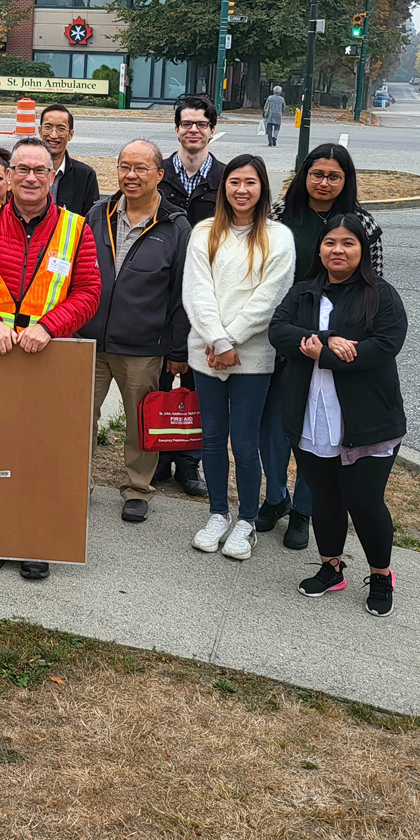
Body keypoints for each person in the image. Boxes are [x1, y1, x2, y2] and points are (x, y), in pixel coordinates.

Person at [0, 136, 101, 580]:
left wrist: (49, 326)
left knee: (42, 454)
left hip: (46, 356)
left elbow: (90, 292)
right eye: (23, 170)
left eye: (41, 170)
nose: (31, 177)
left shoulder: (77, 228)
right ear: (9, 175)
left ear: (53, 176)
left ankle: (37, 539)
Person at [268, 215, 407, 617]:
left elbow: (384, 345)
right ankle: (332, 567)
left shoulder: (381, 295)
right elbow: (279, 329)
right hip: (311, 414)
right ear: (320, 249)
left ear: (362, 250)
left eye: (348, 243)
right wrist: (328, 342)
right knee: (326, 499)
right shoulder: (305, 292)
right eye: (330, 242)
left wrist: (320, 353)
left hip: (366, 420)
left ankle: (381, 574)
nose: (337, 250)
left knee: (363, 501)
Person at [258, 143, 385, 550]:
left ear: (346, 181)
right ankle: (275, 497)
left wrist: (336, 346)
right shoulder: (278, 214)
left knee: (322, 434)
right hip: (282, 337)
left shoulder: (363, 224)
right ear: (303, 175)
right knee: (276, 425)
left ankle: (304, 510)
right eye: (317, 173)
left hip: (334, 349)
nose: (324, 182)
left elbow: (372, 293)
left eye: (334, 176)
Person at [183, 154, 295, 561]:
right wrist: (216, 340)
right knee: (212, 439)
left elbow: (270, 298)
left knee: (245, 442)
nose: (241, 190)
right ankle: (218, 512)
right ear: (224, 187)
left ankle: (246, 519)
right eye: (234, 182)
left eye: (250, 182)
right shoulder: (205, 232)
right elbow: (197, 291)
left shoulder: (279, 237)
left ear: (262, 187)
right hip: (207, 354)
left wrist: (231, 341)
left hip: (252, 356)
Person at [81, 140, 191, 523]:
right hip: (89, 341)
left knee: (139, 421)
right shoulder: (98, 213)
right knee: (78, 418)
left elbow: (181, 293)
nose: (131, 175)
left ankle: (137, 488)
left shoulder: (176, 227)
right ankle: (78, 482)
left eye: (142, 168)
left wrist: (178, 350)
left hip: (143, 345)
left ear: (160, 175)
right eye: (125, 166)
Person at [155, 94, 225, 495]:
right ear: (177, 128)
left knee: (201, 386)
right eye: (187, 124)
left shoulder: (227, 177)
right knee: (161, 380)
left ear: (212, 130)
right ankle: (160, 456)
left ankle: (190, 462)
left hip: (210, 294)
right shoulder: (158, 173)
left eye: (201, 124)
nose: (193, 130)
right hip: (164, 292)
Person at [38, 102, 100, 216]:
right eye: (48, 127)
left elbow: (91, 220)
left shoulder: (85, 176)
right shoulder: (23, 171)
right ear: (40, 131)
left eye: (61, 129)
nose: (53, 135)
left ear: (70, 134)